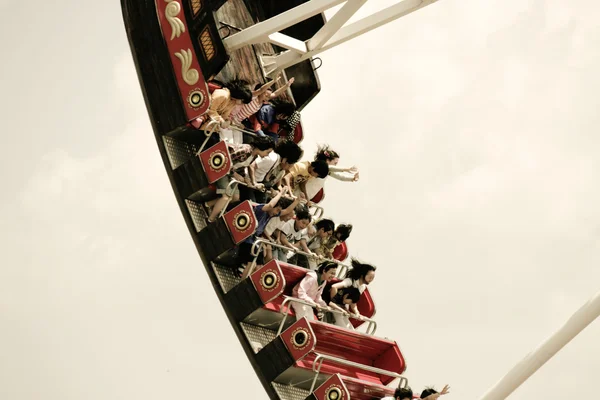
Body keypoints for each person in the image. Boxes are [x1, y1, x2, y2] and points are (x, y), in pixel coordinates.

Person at [206, 136, 275, 223]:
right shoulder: (246, 150)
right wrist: (235, 174)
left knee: (235, 197)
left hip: (229, 173)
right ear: (262, 147)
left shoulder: (254, 156)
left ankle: (208, 204)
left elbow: (242, 167)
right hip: (222, 170)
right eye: (267, 152)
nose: (267, 155)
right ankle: (211, 218)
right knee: (226, 197)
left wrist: (246, 178)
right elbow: (227, 159)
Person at [238, 188, 297, 278]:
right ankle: (242, 282)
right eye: (277, 210)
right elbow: (270, 205)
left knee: (260, 267)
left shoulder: (271, 214)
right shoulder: (262, 209)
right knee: (252, 265)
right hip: (247, 239)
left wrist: (298, 200)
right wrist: (280, 193)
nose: (277, 213)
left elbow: (287, 211)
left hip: (254, 241)